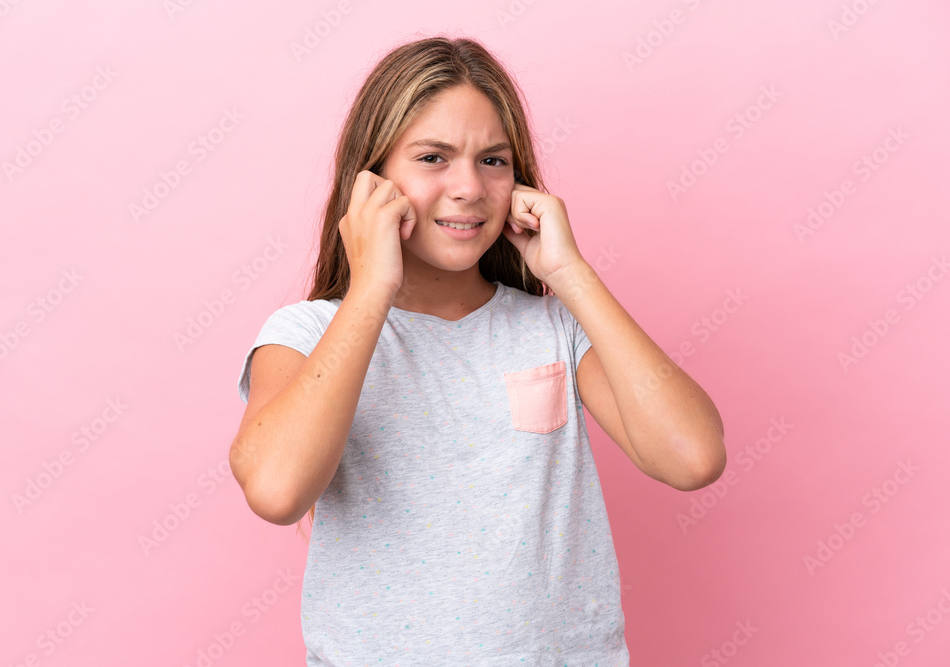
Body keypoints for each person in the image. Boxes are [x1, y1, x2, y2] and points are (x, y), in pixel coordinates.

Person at [229, 34, 726, 665]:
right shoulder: (303, 336)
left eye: (493, 160)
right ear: (372, 181)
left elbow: (693, 457)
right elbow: (276, 490)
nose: (468, 187)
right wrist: (371, 289)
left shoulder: (555, 329)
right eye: (433, 158)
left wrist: (569, 273)